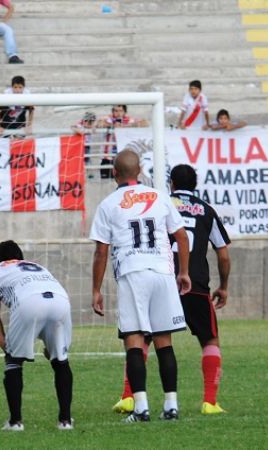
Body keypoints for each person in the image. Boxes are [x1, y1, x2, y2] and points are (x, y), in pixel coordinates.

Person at [90, 150, 191, 422]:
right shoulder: (160, 196)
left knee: (134, 341)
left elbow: (101, 251)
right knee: (164, 341)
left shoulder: (108, 204)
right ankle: (171, 406)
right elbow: (182, 237)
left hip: (133, 273)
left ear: (114, 173)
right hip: (162, 272)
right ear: (139, 172)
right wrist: (183, 272)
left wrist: (96, 289)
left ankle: (141, 408)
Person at [0, 240, 73, 431]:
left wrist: (4, 344)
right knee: (60, 361)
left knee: (13, 362)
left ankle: (15, 422)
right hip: (60, 301)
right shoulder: (38, 267)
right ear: (20, 258)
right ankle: (65, 421)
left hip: (28, 303)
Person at [97, 105, 147, 179]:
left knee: (124, 180)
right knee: (106, 181)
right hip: (108, 157)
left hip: (124, 158)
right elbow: (99, 124)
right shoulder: (108, 119)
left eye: (120, 111)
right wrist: (113, 125)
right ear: (112, 112)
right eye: (116, 111)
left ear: (124, 112)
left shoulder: (129, 120)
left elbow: (144, 123)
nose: (118, 113)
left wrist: (126, 126)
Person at [72, 112, 97, 178]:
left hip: (86, 145)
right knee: (79, 159)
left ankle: (89, 173)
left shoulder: (91, 126)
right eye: (87, 121)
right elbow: (74, 128)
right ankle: (80, 173)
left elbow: (94, 130)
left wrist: (90, 128)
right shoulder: (79, 125)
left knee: (87, 159)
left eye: (91, 122)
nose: (88, 123)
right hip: (79, 145)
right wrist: (82, 131)